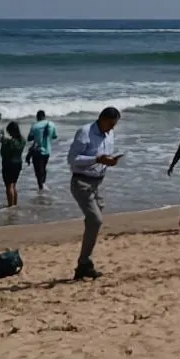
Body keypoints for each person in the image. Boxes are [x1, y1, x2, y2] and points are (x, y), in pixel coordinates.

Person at [67, 107, 122, 281]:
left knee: (94, 221)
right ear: (102, 119)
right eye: (111, 124)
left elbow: (105, 156)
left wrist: (110, 161)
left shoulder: (109, 134)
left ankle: (84, 263)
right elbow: (72, 159)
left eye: (115, 125)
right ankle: (84, 262)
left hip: (97, 183)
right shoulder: (85, 132)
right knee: (95, 220)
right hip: (81, 181)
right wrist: (97, 159)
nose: (112, 128)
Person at [27, 110, 58, 192]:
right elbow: (55, 136)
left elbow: (29, 138)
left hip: (37, 151)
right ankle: (43, 184)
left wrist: (37, 136)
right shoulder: (51, 124)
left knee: (38, 170)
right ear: (44, 116)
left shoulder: (35, 126)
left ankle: (41, 187)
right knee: (43, 167)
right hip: (47, 151)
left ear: (37, 117)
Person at [0, 122, 26, 207]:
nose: (9, 134)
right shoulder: (22, 140)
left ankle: (10, 205)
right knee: (14, 185)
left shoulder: (10, 142)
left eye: (9, 132)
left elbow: (3, 153)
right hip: (18, 163)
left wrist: (3, 143)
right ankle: (14, 204)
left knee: (9, 186)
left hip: (9, 164)